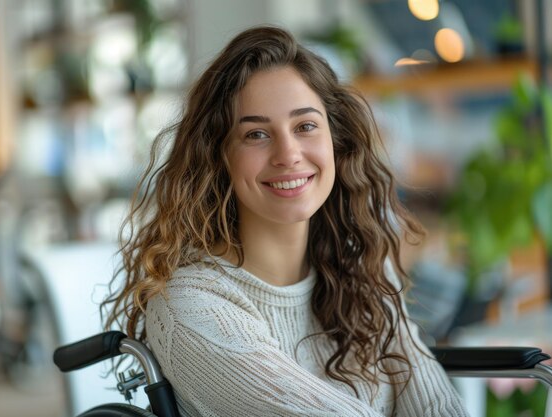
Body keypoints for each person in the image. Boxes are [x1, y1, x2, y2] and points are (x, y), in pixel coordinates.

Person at [105, 26, 469, 417]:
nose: (288, 154)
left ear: (336, 140)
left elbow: (435, 405)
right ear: (219, 157)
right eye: (257, 134)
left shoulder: (357, 262)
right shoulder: (190, 308)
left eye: (305, 126)